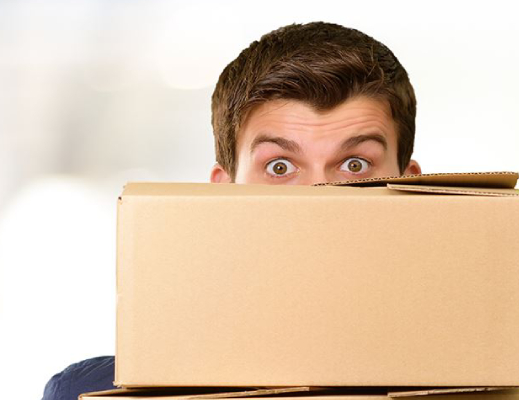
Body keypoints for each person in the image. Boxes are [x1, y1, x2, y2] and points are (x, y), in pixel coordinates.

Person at [42, 21, 421, 400]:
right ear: (223, 197)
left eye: (354, 164)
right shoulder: (94, 394)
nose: (318, 198)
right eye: (279, 167)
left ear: (414, 189)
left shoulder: (470, 377)